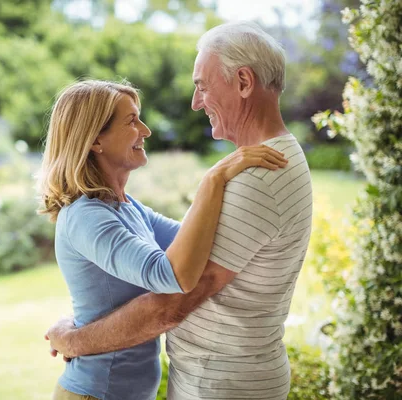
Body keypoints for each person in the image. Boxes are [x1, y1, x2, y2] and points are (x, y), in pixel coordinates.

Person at [45, 21, 313, 400]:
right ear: (95, 142)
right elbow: (175, 267)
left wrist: (74, 339)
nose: (195, 102)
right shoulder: (90, 213)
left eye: (202, 86)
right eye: (131, 121)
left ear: (243, 82)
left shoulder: (260, 176)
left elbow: (173, 294)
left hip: (223, 386)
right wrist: (213, 181)